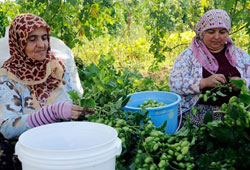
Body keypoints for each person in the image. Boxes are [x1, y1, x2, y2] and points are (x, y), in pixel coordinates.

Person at [0, 13, 92, 169]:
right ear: (19, 42)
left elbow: (75, 98)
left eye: (44, 37)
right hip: (31, 152)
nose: (41, 44)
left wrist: (81, 109)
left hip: (64, 143)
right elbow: (8, 127)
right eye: (32, 39)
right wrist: (53, 112)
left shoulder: (57, 68)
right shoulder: (8, 78)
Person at [169, 9, 250, 126]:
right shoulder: (188, 56)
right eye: (211, 32)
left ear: (228, 33)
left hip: (238, 109)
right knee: (212, 129)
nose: (217, 37)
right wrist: (203, 82)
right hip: (200, 111)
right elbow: (174, 83)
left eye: (222, 32)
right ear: (202, 33)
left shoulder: (240, 55)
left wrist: (243, 83)